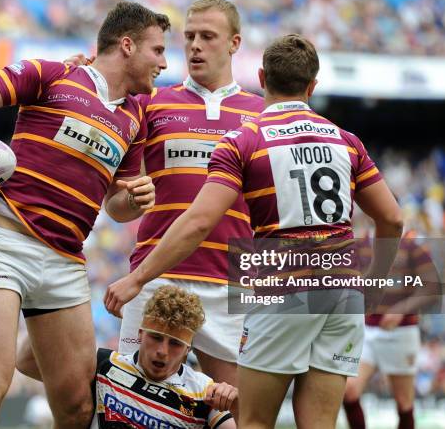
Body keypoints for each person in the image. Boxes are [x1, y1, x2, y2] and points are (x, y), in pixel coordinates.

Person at [104, 34, 404, 429]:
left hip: (284, 285)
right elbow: (393, 220)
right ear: (312, 86)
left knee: (253, 422)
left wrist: (138, 278)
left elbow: (199, 221)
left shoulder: (246, 139)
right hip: (341, 288)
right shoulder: (346, 141)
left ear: (262, 78)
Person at [17, 0, 263, 403]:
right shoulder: (149, 104)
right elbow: (116, 207)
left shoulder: (260, 114)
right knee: (133, 407)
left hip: (228, 284)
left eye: (208, 36)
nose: (195, 46)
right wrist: (131, 200)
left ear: (235, 43)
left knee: (241, 410)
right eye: (189, 37)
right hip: (154, 276)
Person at [0, 2, 169, 429]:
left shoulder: (135, 115)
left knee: (78, 407)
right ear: (127, 45)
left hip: (65, 263)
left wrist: (133, 200)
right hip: (2, 245)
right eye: (157, 50)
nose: (164, 62)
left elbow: (115, 206)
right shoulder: (55, 75)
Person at [20, 284, 238, 429]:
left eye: (175, 344)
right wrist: (53, 303)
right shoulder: (104, 365)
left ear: (188, 349)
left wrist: (234, 401)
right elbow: (26, 362)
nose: (162, 351)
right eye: (155, 337)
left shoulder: (204, 391)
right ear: (140, 334)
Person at [344, 230, 435, 429]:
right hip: (366, 329)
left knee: (404, 403)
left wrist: (402, 309)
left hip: (401, 332)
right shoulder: (359, 246)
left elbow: (431, 288)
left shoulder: (411, 247)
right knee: (349, 391)